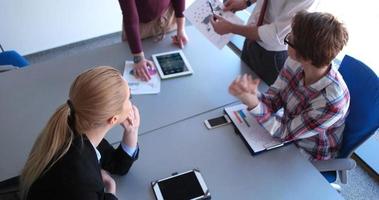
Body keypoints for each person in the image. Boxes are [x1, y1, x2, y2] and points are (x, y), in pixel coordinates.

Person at [229, 11, 350, 160]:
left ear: (307, 55)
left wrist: (254, 104)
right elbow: (273, 100)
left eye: (290, 38)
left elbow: (284, 133)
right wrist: (253, 95)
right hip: (286, 131)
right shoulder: (295, 62)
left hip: (307, 153)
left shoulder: (332, 101)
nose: (287, 39)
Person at [20, 66, 140, 199]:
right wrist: (111, 190)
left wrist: (131, 131)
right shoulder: (81, 180)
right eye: (129, 97)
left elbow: (118, 165)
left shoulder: (78, 126)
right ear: (113, 119)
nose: (131, 101)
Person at [211, 0, 317, 85]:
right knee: (240, 87)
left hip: (271, 55)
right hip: (250, 38)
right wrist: (246, 2)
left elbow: (275, 34)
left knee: (261, 100)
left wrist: (231, 28)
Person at [118, 0, 188, 81]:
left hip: (167, 16)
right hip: (140, 26)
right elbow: (130, 17)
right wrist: (138, 58)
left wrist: (181, 29)